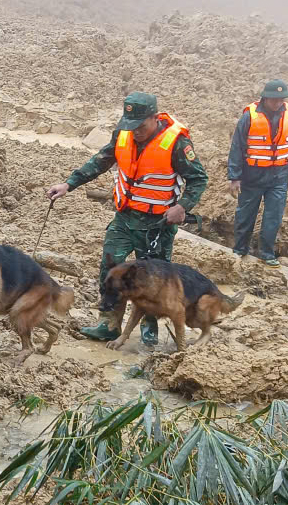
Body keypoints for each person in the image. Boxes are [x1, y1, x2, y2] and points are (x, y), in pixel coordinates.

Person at [46, 92, 208, 347]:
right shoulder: (123, 135)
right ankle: (109, 322)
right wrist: (69, 184)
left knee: (154, 278)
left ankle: (149, 324)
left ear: (155, 118)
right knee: (111, 267)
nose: (136, 132)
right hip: (124, 218)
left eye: (141, 126)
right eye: (131, 126)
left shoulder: (177, 143)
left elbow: (199, 179)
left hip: (157, 224)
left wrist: (182, 206)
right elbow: (100, 161)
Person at [228, 79, 288, 266]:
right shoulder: (250, 116)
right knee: (246, 214)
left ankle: (266, 253)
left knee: (274, 216)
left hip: (279, 175)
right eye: (273, 99)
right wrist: (235, 176)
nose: (277, 103)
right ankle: (240, 248)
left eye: (281, 99)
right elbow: (237, 146)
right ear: (264, 98)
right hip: (252, 175)